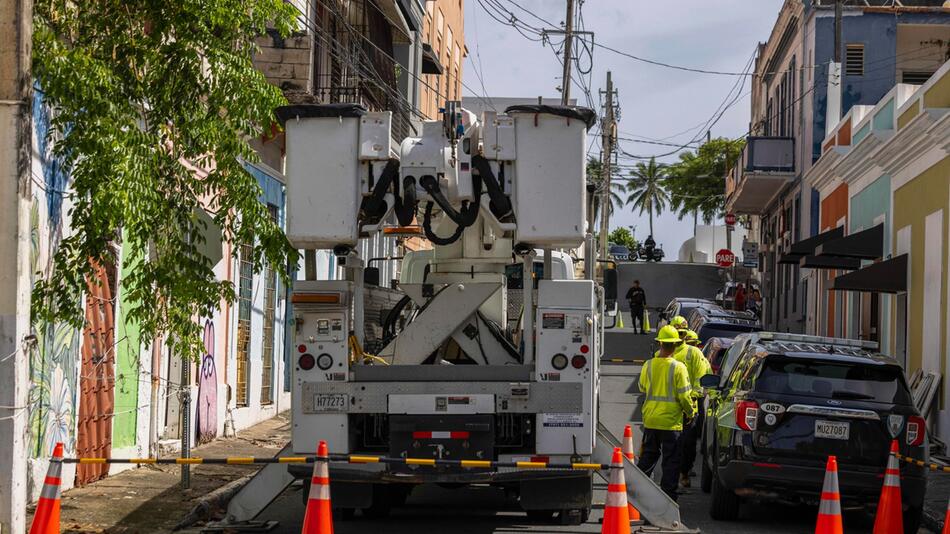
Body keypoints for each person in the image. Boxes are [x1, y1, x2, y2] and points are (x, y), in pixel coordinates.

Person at [638, 325, 695, 501]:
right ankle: (667, 498)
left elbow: (642, 387)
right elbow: (685, 396)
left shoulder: (648, 365)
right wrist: (690, 412)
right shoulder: (679, 368)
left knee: (648, 459)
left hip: (651, 420)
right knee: (671, 462)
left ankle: (637, 493)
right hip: (671, 423)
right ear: (676, 345)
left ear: (660, 343)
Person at [678, 329, 712, 488]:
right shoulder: (700, 357)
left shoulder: (669, 354)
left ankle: (681, 471)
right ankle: (683, 472)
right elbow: (708, 381)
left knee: (681, 440)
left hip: (681, 402)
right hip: (692, 402)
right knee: (688, 440)